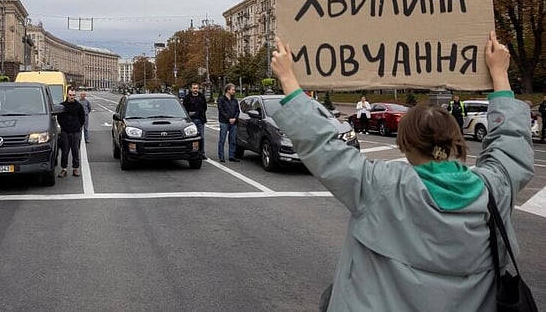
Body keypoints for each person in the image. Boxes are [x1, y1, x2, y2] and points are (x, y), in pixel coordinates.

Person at [269, 32, 534, 311]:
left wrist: (288, 78)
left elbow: (322, 145)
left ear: (404, 146)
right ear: (457, 141)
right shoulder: (494, 191)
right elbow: (511, 144)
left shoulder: (379, 187)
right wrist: (499, 75)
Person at [56, 88, 85, 178]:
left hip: (76, 132)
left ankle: (75, 169)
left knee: (75, 151)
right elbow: (59, 118)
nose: (72, 97)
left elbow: (82, 118)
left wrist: (77, 126)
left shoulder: (79, 106)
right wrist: (64, 126)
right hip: (65, 132)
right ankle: (64, 169)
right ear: (67, 95)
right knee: (65, 151)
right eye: (70, 95)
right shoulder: (62, 106)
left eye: (73, 95)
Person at [182, 83, 208, 159]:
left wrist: (201, 114)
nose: (195, 89)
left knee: (201, 137)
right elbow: (185, 108)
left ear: (198, 88)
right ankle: (193, 152)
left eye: (197, 88)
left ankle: (202, 153)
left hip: (200, 120)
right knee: (192, 138)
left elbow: (205, 107)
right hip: (191, 121)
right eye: (194, 88)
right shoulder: (187, 98)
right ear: (191, 89)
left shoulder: (202, 97)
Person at [216, 83, 240, 162]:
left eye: (234, 90)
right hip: (224, 122)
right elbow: (221, 110)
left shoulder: (235, 100)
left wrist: (235, 118)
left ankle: (231, 156)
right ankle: (221, 156)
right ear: (228, 90)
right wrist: (229, 118)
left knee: (233, 140)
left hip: (234, 122)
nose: (234, 91)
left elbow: (237, 110)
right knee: (222, 139)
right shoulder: (221, 99)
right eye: (233, 89)